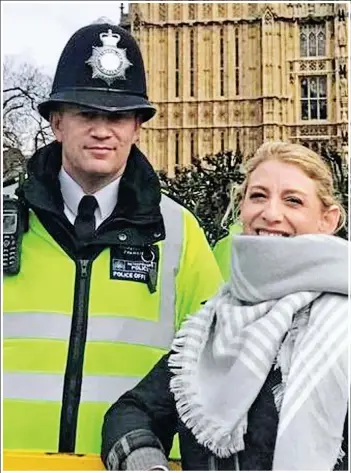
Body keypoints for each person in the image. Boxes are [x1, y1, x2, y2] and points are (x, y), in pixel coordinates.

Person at [3, 20, 223, 456]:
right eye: (87, 113)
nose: (103, 130)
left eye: (119, 116)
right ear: (56, 121)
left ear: (138, 127)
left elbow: (218, 364)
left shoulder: (179, 232)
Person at [101, 141, 349, 471]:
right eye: (258, 196)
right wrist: (147, 465)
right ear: (242, 207)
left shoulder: (341, 325)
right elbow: (132, 411)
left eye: (293, 201)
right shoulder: (211, 326)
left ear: (328, 220)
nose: (271, 214)